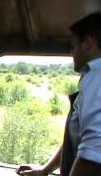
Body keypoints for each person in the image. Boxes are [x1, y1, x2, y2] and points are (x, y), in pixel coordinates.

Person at [16, 12, 101, 176]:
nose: (72, 53)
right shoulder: (91, 78)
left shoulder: (96, 77)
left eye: (73, 46)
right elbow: (75, 136)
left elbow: (93, 155)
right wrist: (45, 170)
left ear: (88, 43)